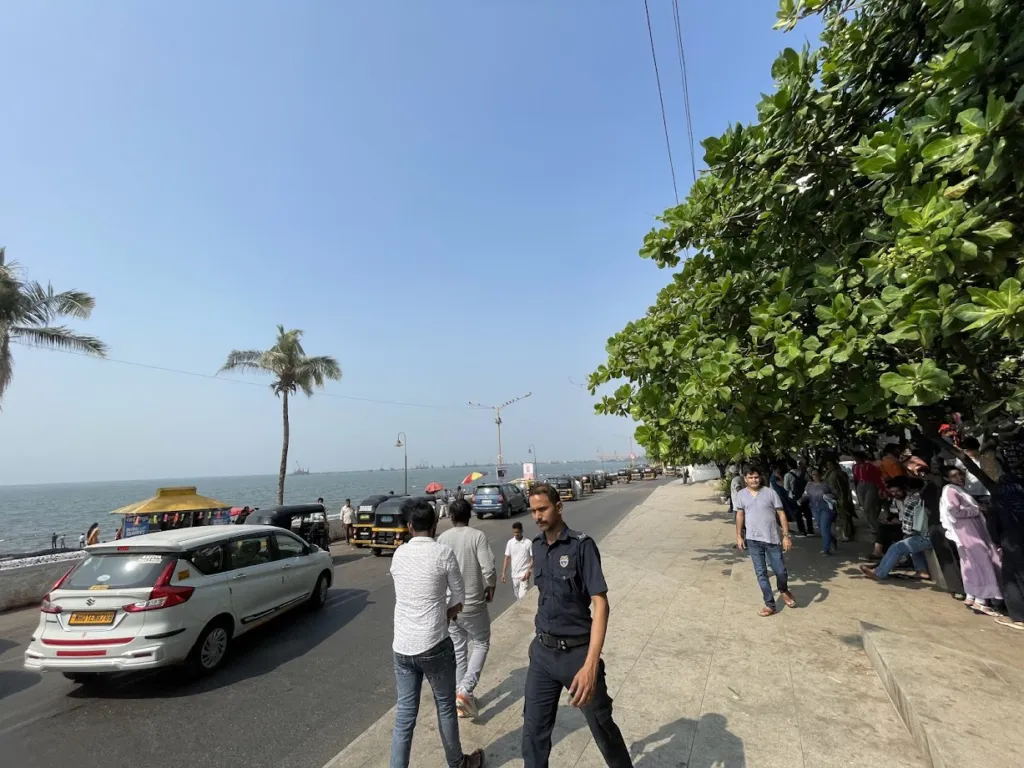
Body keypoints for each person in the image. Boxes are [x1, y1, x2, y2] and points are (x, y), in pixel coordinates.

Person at [522, 483, 632, 768]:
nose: (537, 516)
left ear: (558, 507)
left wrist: (591, 664)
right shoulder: (536, 546)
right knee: (533, 735)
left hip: (578, 655)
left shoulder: (582, 546)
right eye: (533, 510)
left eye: (543, 508)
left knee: (603, 730)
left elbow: (601, 603)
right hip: (543, 654)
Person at [387, 497, 484, 768]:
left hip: (403, 646)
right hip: (434, 644)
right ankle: (457, 763)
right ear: (434, 524)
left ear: (409, 526)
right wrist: (449, 612)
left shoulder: (399, 554)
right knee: (445, 707)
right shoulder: (442, 553)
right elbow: (459, 594)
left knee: (405, 716)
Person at [437, 499, 496, 720]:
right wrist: (491, 585)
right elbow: (488, 567)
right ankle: (466, 689)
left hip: (451, 605)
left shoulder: (442, 539)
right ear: (469, 515)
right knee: (481, 642)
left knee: (460, 649)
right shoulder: (477, 536)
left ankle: (460, 696)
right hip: (473, 603)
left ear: (451, 517)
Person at [939, 466, 1002, 616]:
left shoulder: (959, 490)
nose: (959, 477)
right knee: (982, 562)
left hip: (970, 530)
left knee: (972, 563)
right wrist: (976, 509)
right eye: (954, 475)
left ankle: (972, 596)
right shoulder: (951, 490)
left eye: (960, 474)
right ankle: (981, 600)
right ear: (947, 478)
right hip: (967, 532)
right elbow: (955, 511)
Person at [735, 467, 796, 616]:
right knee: (761, 573)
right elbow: (740, 516)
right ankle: (770, 604)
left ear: (760, 478)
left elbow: (781, 514)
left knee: (780, 571)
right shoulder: (741, 495)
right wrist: (739, 536)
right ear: (745, 479)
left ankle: (783, 589)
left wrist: (786, 536)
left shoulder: (770, 492)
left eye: (756, 477)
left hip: (772, 539)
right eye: (750, 478)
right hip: (753, 540)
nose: (754, 480)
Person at [860, 476, 931, 582]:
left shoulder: (912, 501)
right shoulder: (926, 498)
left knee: (896, 547)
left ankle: (879, 572)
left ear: (907, 489)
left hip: (925, 536)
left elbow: (907, 529)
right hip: (932, 534)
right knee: (912, 548)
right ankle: (922, 571)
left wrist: (906, 533)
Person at [991, 436, 1024, 630]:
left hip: (1011, 536)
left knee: (1012, 575)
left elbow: (993, 519)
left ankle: (1019, 616)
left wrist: (996, 539)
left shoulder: (1001, 489)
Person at [800, 468, 837, 555]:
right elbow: (805, 495)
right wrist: (801, 500)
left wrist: (828, 496)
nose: (815, 476)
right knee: (822, 528)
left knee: (824, 528)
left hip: (826, 508)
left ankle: (826, 549)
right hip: (814, 508)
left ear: (820, 475)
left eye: (817, 474)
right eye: (813, 474)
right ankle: (832, 539)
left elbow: (835, 494)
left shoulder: (826, 484)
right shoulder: (809, 485)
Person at [853, 451, 885, 545]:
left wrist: (881, 488)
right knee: (865, 508)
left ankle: (875, 526)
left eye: (857, 458)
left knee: (868, 507)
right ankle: (872, 526)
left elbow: (877, 478)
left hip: (870, 485)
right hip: (860, 485)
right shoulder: (855, 467)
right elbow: (855, 478)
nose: (856, 460)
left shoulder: (869, 466)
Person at [502, 522, 533, 600]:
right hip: (514, 575)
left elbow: (533, 558)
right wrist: (503, 573)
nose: (516, 534)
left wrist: (529, 570)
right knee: (517, 597)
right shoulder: (510, 543)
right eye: (514, 532)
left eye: (517, 532)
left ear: (522, 531)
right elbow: (507, 558)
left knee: (522, 597)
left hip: (524, 575)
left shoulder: (528, 543)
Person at [955, 437, 992, 504]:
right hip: (971, 491)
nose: (965, 452)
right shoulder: (963, 459)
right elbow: (960, 473)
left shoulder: (985, 458)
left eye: (967, 450)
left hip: (987, 492)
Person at [784, 460, 813, 536]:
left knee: (798, 515)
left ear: (789, 466)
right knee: (807, 513)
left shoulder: (788, 475)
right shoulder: (804, 473)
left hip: (794, 497)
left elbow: (786, 488)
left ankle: (802, 531)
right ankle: (810, 530)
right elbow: (810, 483)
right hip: (805, 495)